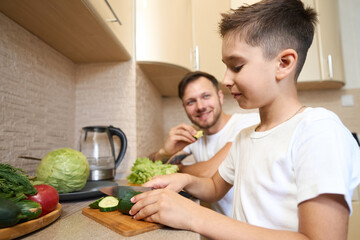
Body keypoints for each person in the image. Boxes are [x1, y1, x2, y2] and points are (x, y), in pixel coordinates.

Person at [130, 0, 360, 239]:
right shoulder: (245, 137)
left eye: (237, 66)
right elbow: (216, 187)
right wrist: (184, 179)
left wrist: (193, 215)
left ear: (284, 63)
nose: (226, 79)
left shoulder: (318, 131)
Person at [148, 71, 260, 217]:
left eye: (206, 96)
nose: (200, 106)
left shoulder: (247, 124)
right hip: (219, 229)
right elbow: (151, 167)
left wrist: (176, 167)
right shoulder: (194, 136)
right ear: (184, 107)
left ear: (220, 97)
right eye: (191, 102)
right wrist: (165, 152)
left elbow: (209, 172)